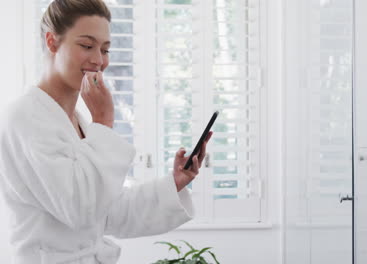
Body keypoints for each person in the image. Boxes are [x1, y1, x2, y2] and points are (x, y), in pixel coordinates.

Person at [0, 0, 212, 263]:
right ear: (52, 42)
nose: (99, 60)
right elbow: (79, 208)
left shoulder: (77, 122)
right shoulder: (25, 118)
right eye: (87, 46)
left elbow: (106, 211)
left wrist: (175, 183)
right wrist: (103, 119)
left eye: (105, 49)